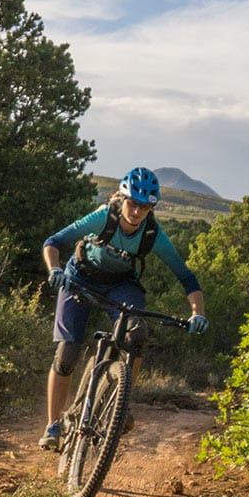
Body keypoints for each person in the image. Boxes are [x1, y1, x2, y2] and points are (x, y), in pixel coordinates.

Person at [38, 166, 207, 450]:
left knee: (136, 334)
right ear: (123, 198)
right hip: (80, 277)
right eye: (133, 203)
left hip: (121, 284)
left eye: (145, 207)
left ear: (151, 208)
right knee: (67, 353)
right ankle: (53, 425)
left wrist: (197, 312)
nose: (137, 211)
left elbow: (186, 277)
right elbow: (53, 242)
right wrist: (55, 269)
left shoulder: (152, 234)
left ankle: (121, 404)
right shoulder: (104, 217)